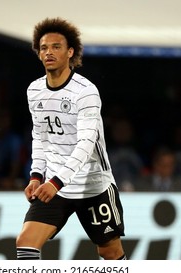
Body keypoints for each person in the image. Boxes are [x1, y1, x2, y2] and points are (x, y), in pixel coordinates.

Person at [16, 17, 126, 260]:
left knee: (110, 252)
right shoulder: (34, 90)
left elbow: (86, 144)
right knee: (26, 242)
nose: (49, 52)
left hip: (93, 186)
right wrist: (36, 176)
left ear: (70, 52)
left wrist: (55, 181)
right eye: (44, 48)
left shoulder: (86, 91)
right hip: (55, 187)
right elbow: (40, 137)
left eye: (56, 47)